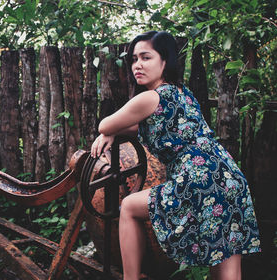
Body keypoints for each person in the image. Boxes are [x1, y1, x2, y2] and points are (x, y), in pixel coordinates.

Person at [90, 31, 261, 280]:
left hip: (199, 179)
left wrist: (109, 132)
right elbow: (144, 127)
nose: (137, 65)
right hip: (228, 177)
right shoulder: (181, 93)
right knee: (226, 267)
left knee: (128, 206)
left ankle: (130, 278)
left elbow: (105, 124)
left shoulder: (149, 97)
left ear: (165, 61)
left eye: (146, 57)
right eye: (134, 59)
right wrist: (115, 133)